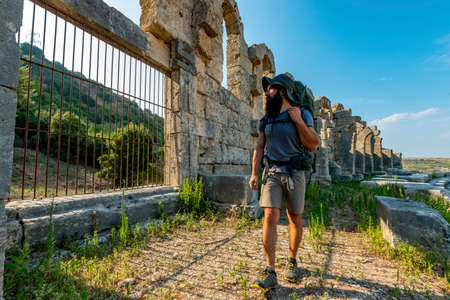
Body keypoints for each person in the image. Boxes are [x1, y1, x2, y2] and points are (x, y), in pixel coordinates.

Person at [249, 73, 319, 292]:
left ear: (282, 91)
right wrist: (253, 173)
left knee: (294, 217)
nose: (266, 92)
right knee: (269, 216)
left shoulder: (302, 113)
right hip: (271, 172)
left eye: (271, 88)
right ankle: (269, 270)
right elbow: (259, 147)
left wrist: (298, 121)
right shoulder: (266, 119)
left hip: (295, 172)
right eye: (266, 89)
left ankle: (292, 259)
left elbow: (313, 144)